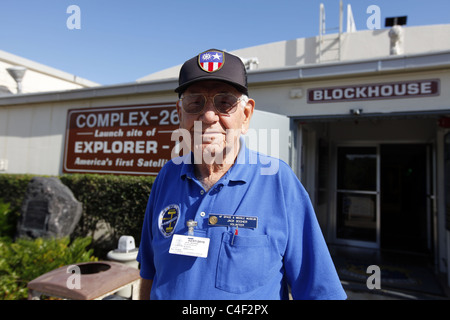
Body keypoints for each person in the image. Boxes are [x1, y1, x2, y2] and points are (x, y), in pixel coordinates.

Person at [137, 49, 346, 300]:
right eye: (195, 103)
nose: (209, 116)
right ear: (181, 115)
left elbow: (320, 293)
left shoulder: (279, 181)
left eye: (225, 103)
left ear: (245, 116)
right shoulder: (166, 177)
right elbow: (149, 272)